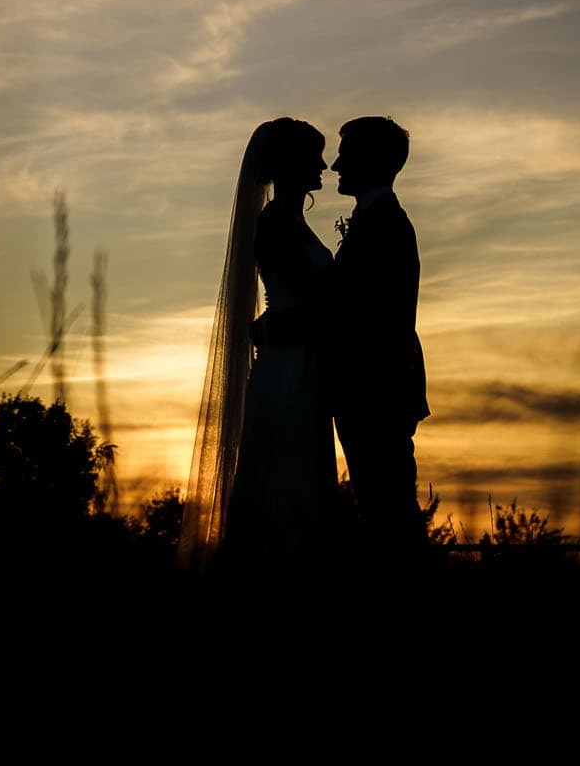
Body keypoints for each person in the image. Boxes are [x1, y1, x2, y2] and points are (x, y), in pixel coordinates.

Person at [179, 117, 339, 571]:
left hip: (298, 362)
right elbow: (311, 306)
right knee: (285, 478)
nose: (324, 166)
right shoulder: (275, 223)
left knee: (299, 478)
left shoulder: (289, 219)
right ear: (291, 165)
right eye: (314, 157)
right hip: (288, 369)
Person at [327, 115, 428, 557]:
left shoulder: (387, 225)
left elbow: (374, 316)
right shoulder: (372, 220)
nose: (334, 165)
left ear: (376, 158)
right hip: (369, 389)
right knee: (382, 510)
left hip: (377, 390)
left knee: (390, 515)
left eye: (346, 154)